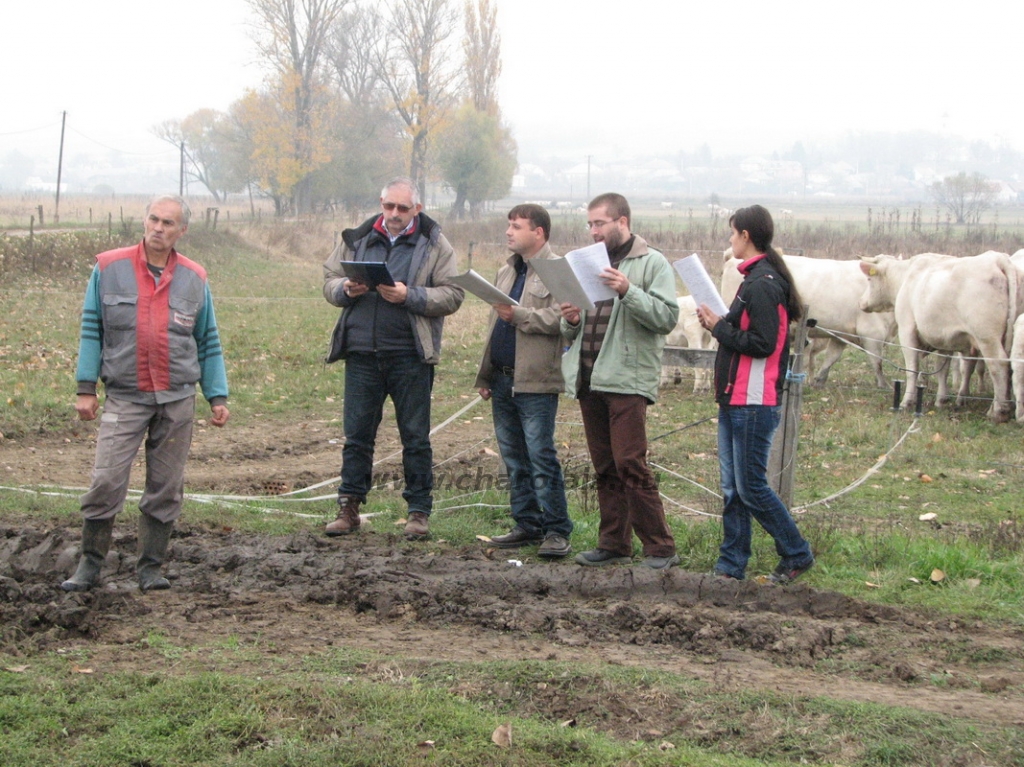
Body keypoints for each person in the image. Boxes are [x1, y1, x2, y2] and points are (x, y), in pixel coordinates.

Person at [61, 195, 229, 593]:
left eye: (169, 223)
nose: (159, 228)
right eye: (154, 219)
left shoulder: (195, 277)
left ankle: (151, 567)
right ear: (144, 221)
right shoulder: (108, 268)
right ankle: (89, 564)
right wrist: (86, 388)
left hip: (177, 398)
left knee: (166, 486)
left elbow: (207, 339)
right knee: (106, 480)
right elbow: (91, 328)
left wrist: (216, 396)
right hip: (124, 394)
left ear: (181, 230)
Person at [323, 177, 464, 540]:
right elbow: (329, 279)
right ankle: (348, 507)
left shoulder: (435, 243)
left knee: (415, 437)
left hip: (410, 355)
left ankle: (419, 512)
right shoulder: (357, 237)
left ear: (416, 208)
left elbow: (453, 294)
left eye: (403, 208)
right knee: (357, 436)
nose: (395, 214)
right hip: (361, 354)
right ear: (381, 203)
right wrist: (345, 289)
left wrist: (410, 296)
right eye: (389, 206)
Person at [559, 193, 680, 569]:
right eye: (590, 224)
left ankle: (660, 547)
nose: (593, 231)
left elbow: (665, 317)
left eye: (600, 223)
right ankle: (613, 543)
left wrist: (628, 290)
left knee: (630, 461)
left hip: (626, 378)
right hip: (590, 376)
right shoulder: (586, 264)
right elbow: (574, 330)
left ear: (622, 222)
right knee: (605, 466)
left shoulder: (652, 262)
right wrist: (572, 319)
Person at [696, 204, 815, 583]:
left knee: (751, 488)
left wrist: (718, 328)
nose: (730, 241)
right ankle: (731, 566)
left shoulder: (762, 284)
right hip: (737, 397)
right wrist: (720, 322)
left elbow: (763, 343)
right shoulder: (756, 280)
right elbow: (749, 330)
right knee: (733, 488)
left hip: (753, 399)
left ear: (746, 236)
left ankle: (796, 552)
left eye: (733, 233)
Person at [475, 204, 573, 558]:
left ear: (539, 232)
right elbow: (495, 326)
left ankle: (557, 530)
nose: (508, 232)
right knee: (513, 457)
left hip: (535, 382)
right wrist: (486, 374)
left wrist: (521, 315)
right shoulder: (506, 270)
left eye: (517, 226)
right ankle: (527, 524)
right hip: (501, 380)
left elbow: (566, 320)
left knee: (541, 456)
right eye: (508, 225)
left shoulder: (559, 271)